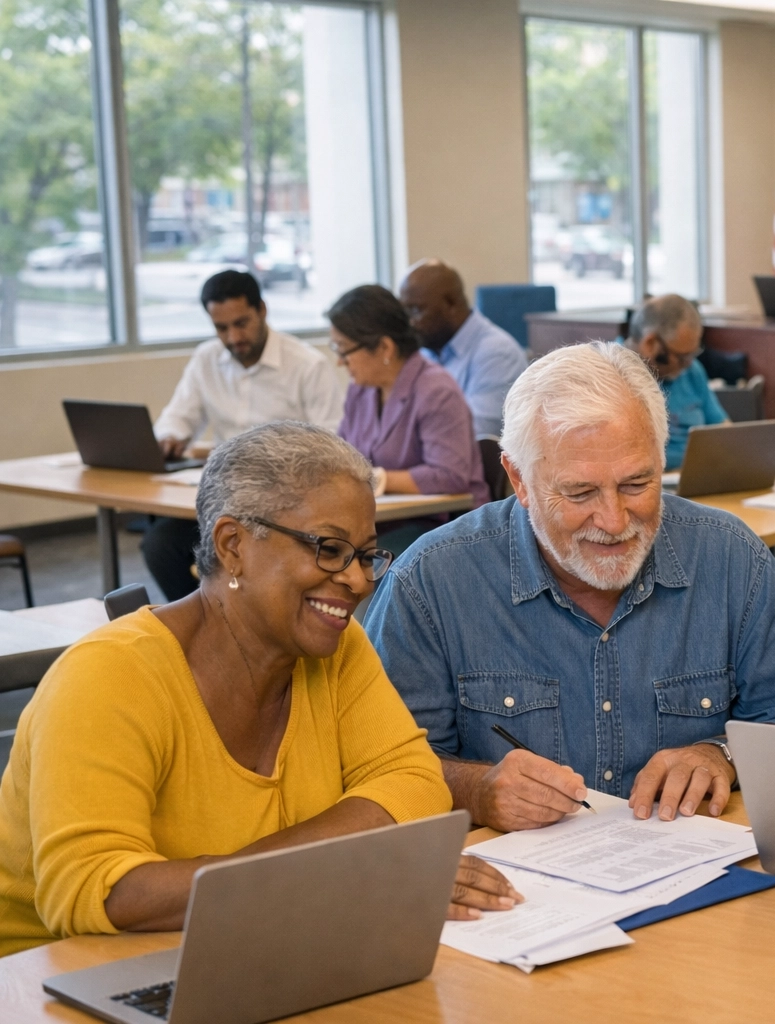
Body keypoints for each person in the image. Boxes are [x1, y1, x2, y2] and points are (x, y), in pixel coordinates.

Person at [0, 423, 520, 958]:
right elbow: (98, 892)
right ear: (233, 545)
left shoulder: (336, 650)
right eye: (329, 548)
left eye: (366, 556)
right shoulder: (108, 677)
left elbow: (415, 785)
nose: (358, 581)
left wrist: (294, 879)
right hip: (50, 977)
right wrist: (333, 870)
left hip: (240, 944)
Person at [364, 343, 775, 832]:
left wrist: (722, 755)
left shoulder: (731, 558)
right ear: (518, 478)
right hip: (513, 876)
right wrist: (474, 789)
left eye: (636, 484)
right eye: (580, 492)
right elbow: (379, 766)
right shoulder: (431, 582)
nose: (614, 521)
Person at [146, 270, 345, 600]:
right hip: (224, 499)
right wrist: (169, 437)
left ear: (262, 310)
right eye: (221, 328)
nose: (233, 336)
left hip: (284, 503)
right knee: (160, 544)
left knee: (250, 552)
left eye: (241, 323)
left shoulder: (308, 366)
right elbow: (178, 417)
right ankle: (205, 621)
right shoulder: (206, 359)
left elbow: (332, 447)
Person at [328, 285, 489, 556]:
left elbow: (449, 476)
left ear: (385, 347)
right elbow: (342, 457)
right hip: (384, 523)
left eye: (344, 351)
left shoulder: (436, 390)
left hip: (442, 528)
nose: (340, 362)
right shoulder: (361, 390)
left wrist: (378, 479)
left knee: (344, 562)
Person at [399, 259, 529, 439]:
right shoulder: (427, 349)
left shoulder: (497, 353)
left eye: (416, 310)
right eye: (405, 312)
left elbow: (470, 433)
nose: (410, 322)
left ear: (451, 304)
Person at [622, 294, 728, 470]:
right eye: (682, 357)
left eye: (693, 354)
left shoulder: (693, 371)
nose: (688, 364)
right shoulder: (610, 374)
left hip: (697, 472)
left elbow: (723, 429)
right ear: (650, 344)